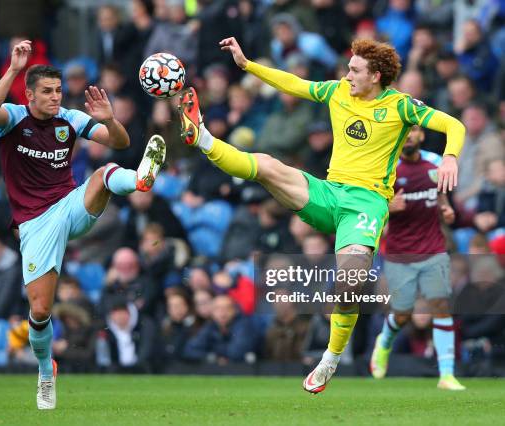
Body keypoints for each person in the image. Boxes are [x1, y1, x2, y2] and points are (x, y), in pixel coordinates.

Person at [179, 36, 465, 393]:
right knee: (267, 165)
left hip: (367, 204)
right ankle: (202, 136)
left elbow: (455, 125)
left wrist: (450, 155)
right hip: (329, 193)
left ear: (376, 75)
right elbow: (295, 84)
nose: (347, 75)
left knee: (350, 284)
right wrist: (247, 65)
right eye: (348, 68)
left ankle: (330, 359)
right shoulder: (337, 91)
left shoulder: (401, 106)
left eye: (355, 70)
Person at [0, 40, 166, 409]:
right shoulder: (14, 118)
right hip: (34, 225)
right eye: (47, 92)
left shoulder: (71, 119)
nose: (54, 97)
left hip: (69, 206)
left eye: (58, 90)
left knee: (104, 172)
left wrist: (110, 119)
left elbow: (120, 142)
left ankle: (141, 180)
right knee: (41, 311)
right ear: (29, 95)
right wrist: (14, 70)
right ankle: (46, 372)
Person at [369, 125, 465, 390]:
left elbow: (441, 196)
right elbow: (369, 207)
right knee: (402, 314)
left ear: (421, 136)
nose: (408, 136)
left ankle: (446, 375)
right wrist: (388, 207)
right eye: (403, 132)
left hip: (433, 247)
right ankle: (384, 342)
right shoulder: (386, 169)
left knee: (440, 306)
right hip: (400, 252)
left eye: (412, 131)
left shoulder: (435, 163)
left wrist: (446, 210)